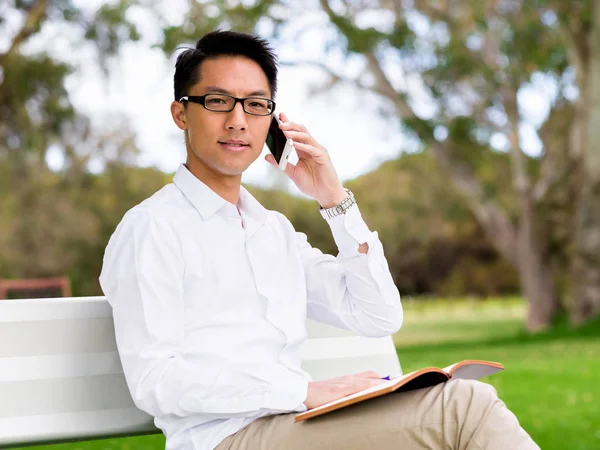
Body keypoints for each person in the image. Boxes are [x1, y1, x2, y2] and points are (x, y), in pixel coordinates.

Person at [99, 30, 539, 450]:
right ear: (181, 113)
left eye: (255, 105)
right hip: (224, 439)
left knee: (458, 407)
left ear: (273, 120)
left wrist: (333, 198)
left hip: (296, 427)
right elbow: (156, 381)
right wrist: (302, 391)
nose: (237, 121)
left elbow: (378, 315)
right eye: (218, 102)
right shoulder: (152, 228)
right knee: (465, 409)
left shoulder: (273, 232)